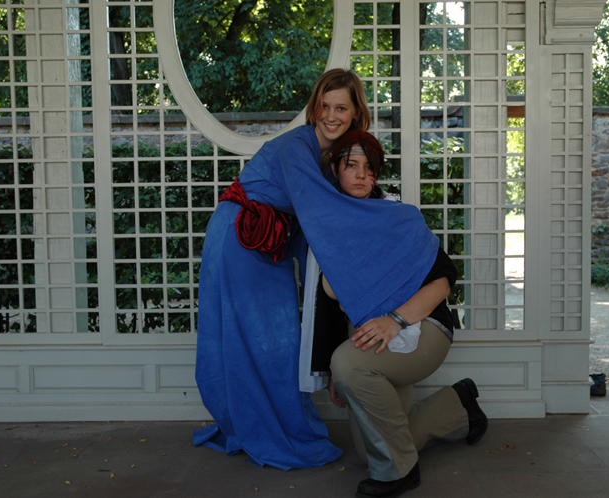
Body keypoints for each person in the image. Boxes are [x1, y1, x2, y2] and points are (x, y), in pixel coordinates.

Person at [193, 69, 442, 471]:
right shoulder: (298, 145)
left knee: (278, 342)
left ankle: (275, 424)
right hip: (241, 235)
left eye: (341, 108)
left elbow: (321, 223)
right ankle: (265, 429)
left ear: (356, 111)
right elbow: (324, 213)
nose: (330, 116)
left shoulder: (334, 156)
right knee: (257, 341)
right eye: (324, 106)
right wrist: (394, 219)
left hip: (270, 238)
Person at [299, 130, 488, 498]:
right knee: (371, 450)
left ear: (377, 174)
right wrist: (333, 372)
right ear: (335, 169)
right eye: (351, 165)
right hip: (371, 337)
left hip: (422, 328)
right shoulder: (327, 226)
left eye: (369, 167)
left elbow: (443, 282)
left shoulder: (398, 216)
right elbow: (327, 309)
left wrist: (394, 321)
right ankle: (459, 406)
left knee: (353, 371)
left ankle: (401, 473)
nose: (360, 174)